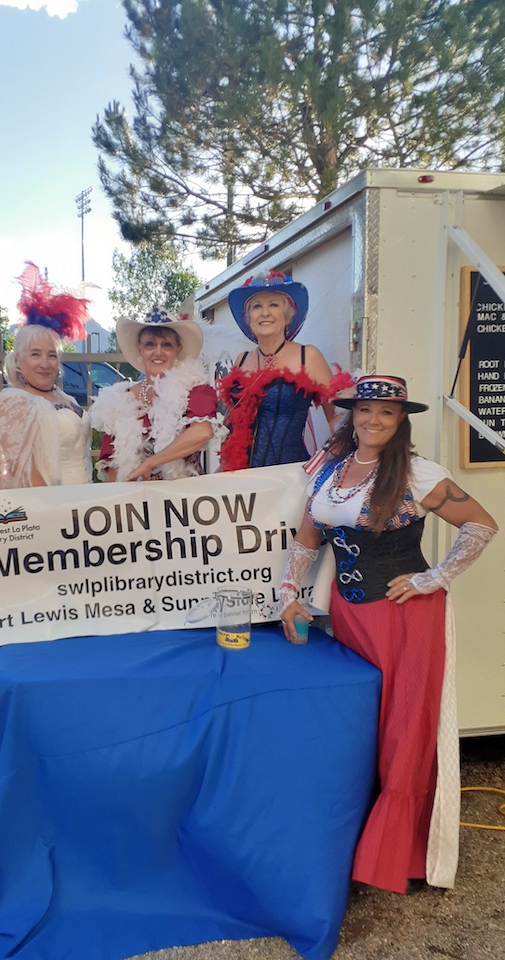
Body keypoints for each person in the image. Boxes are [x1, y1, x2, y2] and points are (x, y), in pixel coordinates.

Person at [277, 375, 498, 895]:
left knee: (404, 729)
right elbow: (308, 539)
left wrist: (431, 578)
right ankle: (358, 842)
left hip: (405, 616)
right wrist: (289, 591)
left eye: (386, 413)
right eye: (364, 411)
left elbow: (482, 524)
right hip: (350, 616)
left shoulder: (419, 474)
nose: (373, 421)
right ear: (351, 415)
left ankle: (400, 856)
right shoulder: (330, 471)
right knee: (362, 725)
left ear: (401, 421)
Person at [218, 270, 345, 469]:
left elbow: (337, 418)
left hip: (289, 477)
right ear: (249, 319)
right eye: (257, 306)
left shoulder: (307, 356)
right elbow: (233, 422)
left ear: (287, 316)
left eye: (273, 305)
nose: (264, 313)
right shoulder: (241, 360)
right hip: (243, 480)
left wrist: (336, 463)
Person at [0, 262, 92, 487]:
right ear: (18, 360)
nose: (45, 363)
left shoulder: (68, 399)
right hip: (50, 507)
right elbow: (21, 467)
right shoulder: (13, 403)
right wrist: (51, 510)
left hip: (84, 505)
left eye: (51, 355)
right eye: (35, 354)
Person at [90, 308, 221, 481]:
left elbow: (202, 432)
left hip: (184, 499)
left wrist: (149, 463)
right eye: (150, 344)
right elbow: (113, 464)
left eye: (166, 345)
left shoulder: (194, 389)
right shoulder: (120, 399)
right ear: (140, 349)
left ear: (177, 350)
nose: (158, 351)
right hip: (137, 502)